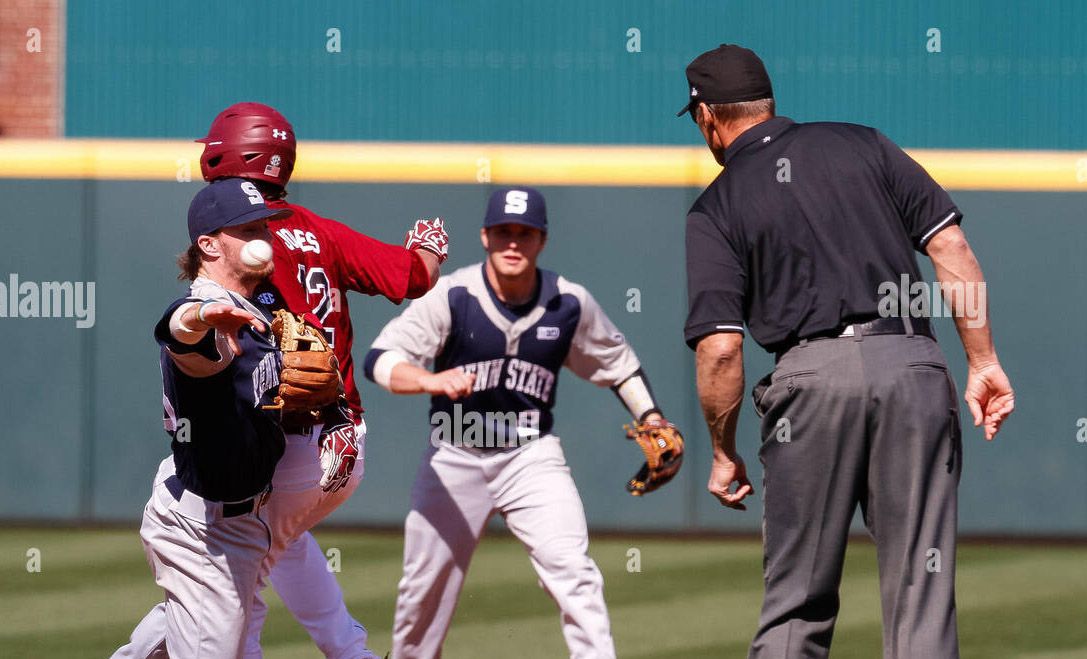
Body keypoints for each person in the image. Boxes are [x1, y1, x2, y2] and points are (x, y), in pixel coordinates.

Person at [679, 45, 1015, 658]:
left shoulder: (716, 206)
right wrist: (984, 362)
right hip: (911, 365)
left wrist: (724, 453)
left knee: (796, 605)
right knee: (923, 588)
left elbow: (723, 349)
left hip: (811, 383)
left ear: (706, 117)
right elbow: (952, 250)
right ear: (767, 100)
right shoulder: (864, 144)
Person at [363, 186, 682, 658]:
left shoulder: (568, 302)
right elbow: (380, 359)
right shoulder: (453, 296)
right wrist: (429, 381)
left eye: (525, 233)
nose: (514, 243)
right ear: (485, 236)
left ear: (542, 240)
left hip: (530, 455)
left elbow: (618, 363)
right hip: (454, 454)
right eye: (504, 232)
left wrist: (650, 415)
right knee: (422, 592)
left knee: (573, 570)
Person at [198, 102, 449, 658]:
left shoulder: (239, 240)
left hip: (287, 445)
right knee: (281, 548)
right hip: (345, 441)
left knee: (225, 574)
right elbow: (415, 276)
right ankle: (351, 651)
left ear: (229, 153)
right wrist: (428, 247)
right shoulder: (321, 231)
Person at [115, 177, 312, 657]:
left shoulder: (252, 312)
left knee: (176, 637)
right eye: (245, 230)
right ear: (207, 244)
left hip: (230, 514)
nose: (261, 237)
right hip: (205, 527)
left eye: (264, 225)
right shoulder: (208, 313)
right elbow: (180, 332)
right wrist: (202, 319)